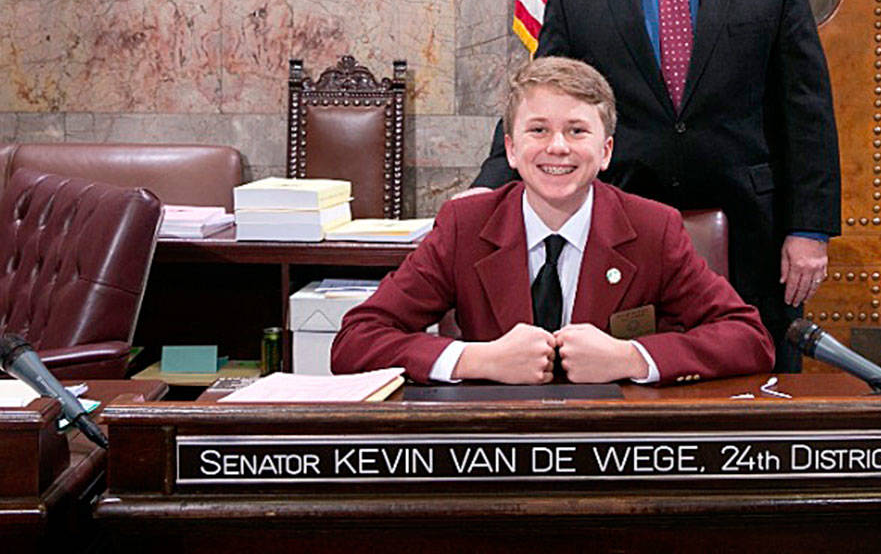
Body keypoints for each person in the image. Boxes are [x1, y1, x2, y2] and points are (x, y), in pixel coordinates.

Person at [467, 0, 840, 369]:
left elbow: (806, 109)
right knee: (623, 381)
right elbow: (543, 90)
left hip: (748, 234)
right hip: (620, 230)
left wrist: (810, 227)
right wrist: (491, 184)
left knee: (747, 382)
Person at [332, 57, 774, 384]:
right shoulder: (464, 225)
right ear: (509, 149)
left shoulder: (653, 229)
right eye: (538, 130)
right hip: (494, 452)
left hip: (612, 453)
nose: (557, 147)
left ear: (605, 152)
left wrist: (632, 357)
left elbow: (749, 338)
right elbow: (356, 340)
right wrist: (476, 359)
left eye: (577, 131)